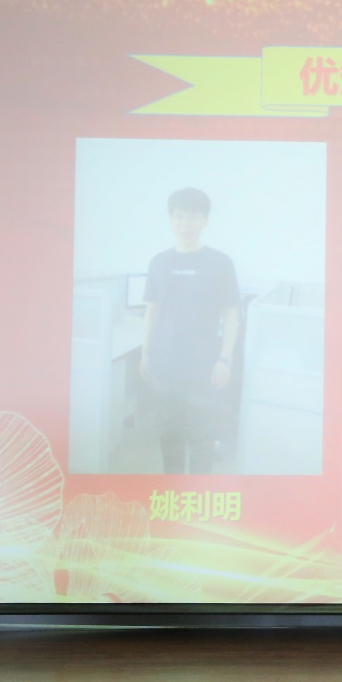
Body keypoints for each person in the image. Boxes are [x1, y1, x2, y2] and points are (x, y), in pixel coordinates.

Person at [141, 187, 240, 474]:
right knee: (168, 432)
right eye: (179, 217)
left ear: (205, 221)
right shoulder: (159, 262)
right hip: (165, 362)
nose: (185, 224)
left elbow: (232, 313)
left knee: (201, 434)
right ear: (171, 220)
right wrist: (146, 355)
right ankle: (173, 487)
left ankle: (198, 492)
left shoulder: (220, 263)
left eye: (192, 217)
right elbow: (152, 311)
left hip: (203, 364)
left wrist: (225, 359)